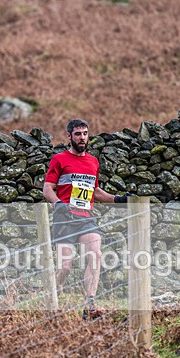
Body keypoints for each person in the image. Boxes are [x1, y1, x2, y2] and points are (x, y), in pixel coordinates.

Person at [43, 118, 129, 319]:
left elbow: (95, 192)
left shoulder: (93, 162)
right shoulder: (59, 160)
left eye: (85, 133)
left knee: (95, 255)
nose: (82, 138)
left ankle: (89, 304)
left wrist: (117, 199)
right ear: (69, 136)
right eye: (78, 134)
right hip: (65, 219)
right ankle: (52, 300)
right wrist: (58, 204)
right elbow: (47, 188)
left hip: (86, 218)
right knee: (65, 267)